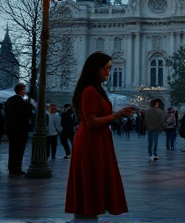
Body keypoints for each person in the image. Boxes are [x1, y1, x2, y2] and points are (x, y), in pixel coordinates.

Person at [65, 52, 133, 222]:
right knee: (91, 174)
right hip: (90, 139)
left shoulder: (97, 90)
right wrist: (116, 116)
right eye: (107, 69)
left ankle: (92, 206)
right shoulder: (89, 91)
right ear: (96, 69)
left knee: (96, 174)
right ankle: (88, 207)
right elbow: (91, 122)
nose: (109, 72)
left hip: (98, 139)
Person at [4, 83, 34, 177]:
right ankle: (17, 168)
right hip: (21, 129)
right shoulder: (21, 102)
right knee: (19, 150)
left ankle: (12, 167)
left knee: (13, 149)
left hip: (11, 129)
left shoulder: (9, 100)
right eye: (24, 89)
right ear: (21, 90)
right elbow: (28, 113)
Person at [144, 98, 166, 162]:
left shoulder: (147, 112)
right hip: (157, 128)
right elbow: (162, 120)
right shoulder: (160, 111)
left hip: (149, 128)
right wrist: (163, 127)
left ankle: (150, 153)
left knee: (150, 141)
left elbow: (146, 120)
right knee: (155, 141)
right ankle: (155, 154)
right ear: (156, 105)